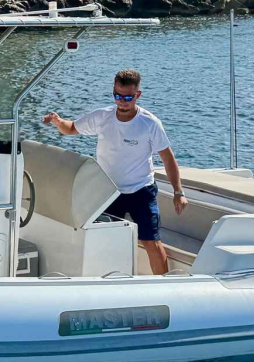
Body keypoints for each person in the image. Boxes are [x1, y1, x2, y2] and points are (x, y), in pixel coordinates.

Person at [42, 69, 186, 275]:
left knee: (151, 242)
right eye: (117, 96)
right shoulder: (103, 117)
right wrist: (58, 122)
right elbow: (71, 128)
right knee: (102, 239)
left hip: (141, 191)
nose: (122, 102)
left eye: (127, 97)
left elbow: (168, 158)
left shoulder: (149, 123)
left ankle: (163, 285)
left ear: (138, 95)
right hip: (109, 192)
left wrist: (178, 192)